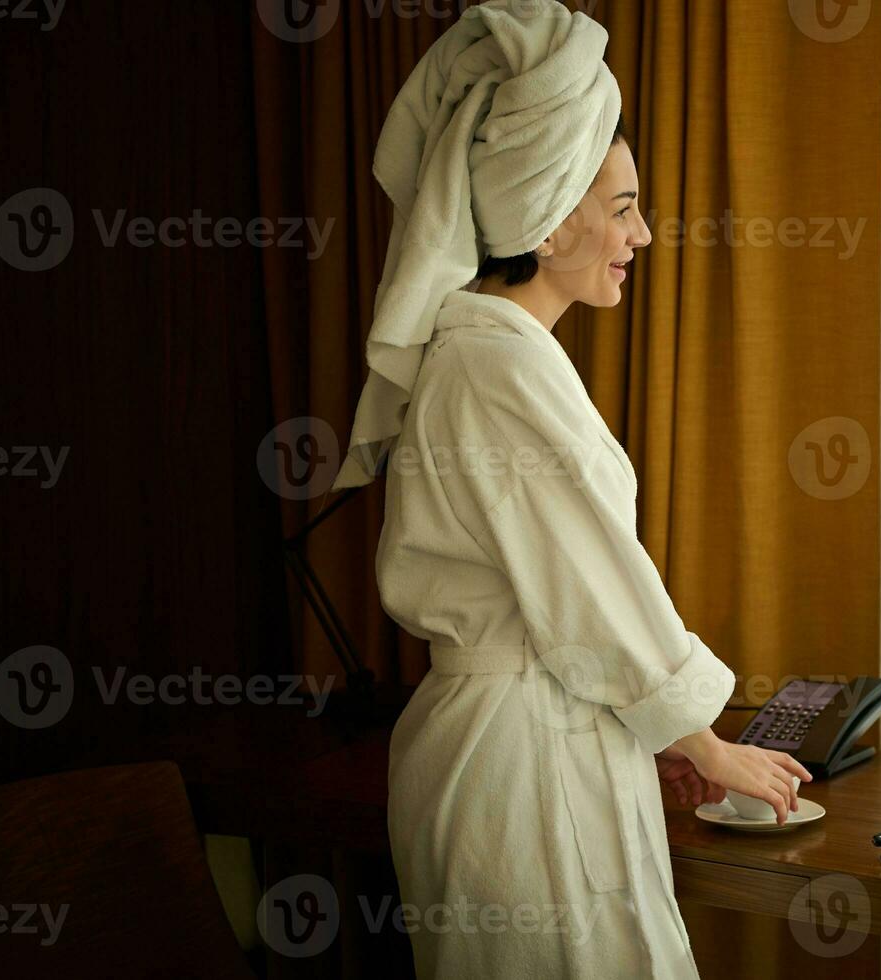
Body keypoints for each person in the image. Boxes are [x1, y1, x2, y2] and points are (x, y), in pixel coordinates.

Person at [333, 3, 810, 976]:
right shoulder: (495, 368)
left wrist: (656, 726)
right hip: (520, 762)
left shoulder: (495, 356)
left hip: (534, 735)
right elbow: (589, 577)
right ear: (550, 222)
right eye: (623, 203)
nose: (640, 230)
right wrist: (703, 740)